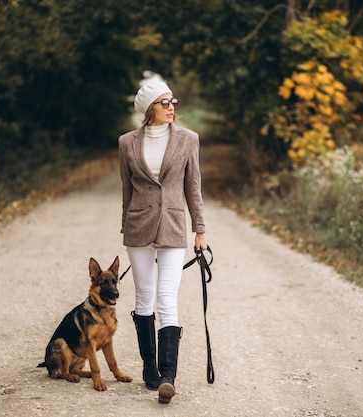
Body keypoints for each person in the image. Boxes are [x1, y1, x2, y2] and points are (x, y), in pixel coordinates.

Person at [118, 78, 207, 404]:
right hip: (139, 228)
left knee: (167, 297)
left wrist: (200, 230)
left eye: (173, 101)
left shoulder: (188, 140)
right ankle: (150, 370)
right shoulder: (127, 143)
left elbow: (193, 188)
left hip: (172, 226)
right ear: (148, 108)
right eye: (164, 102)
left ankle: (168, 377)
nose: (171, 107)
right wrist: (125, 226)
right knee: (144, 298)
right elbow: (127, 190)